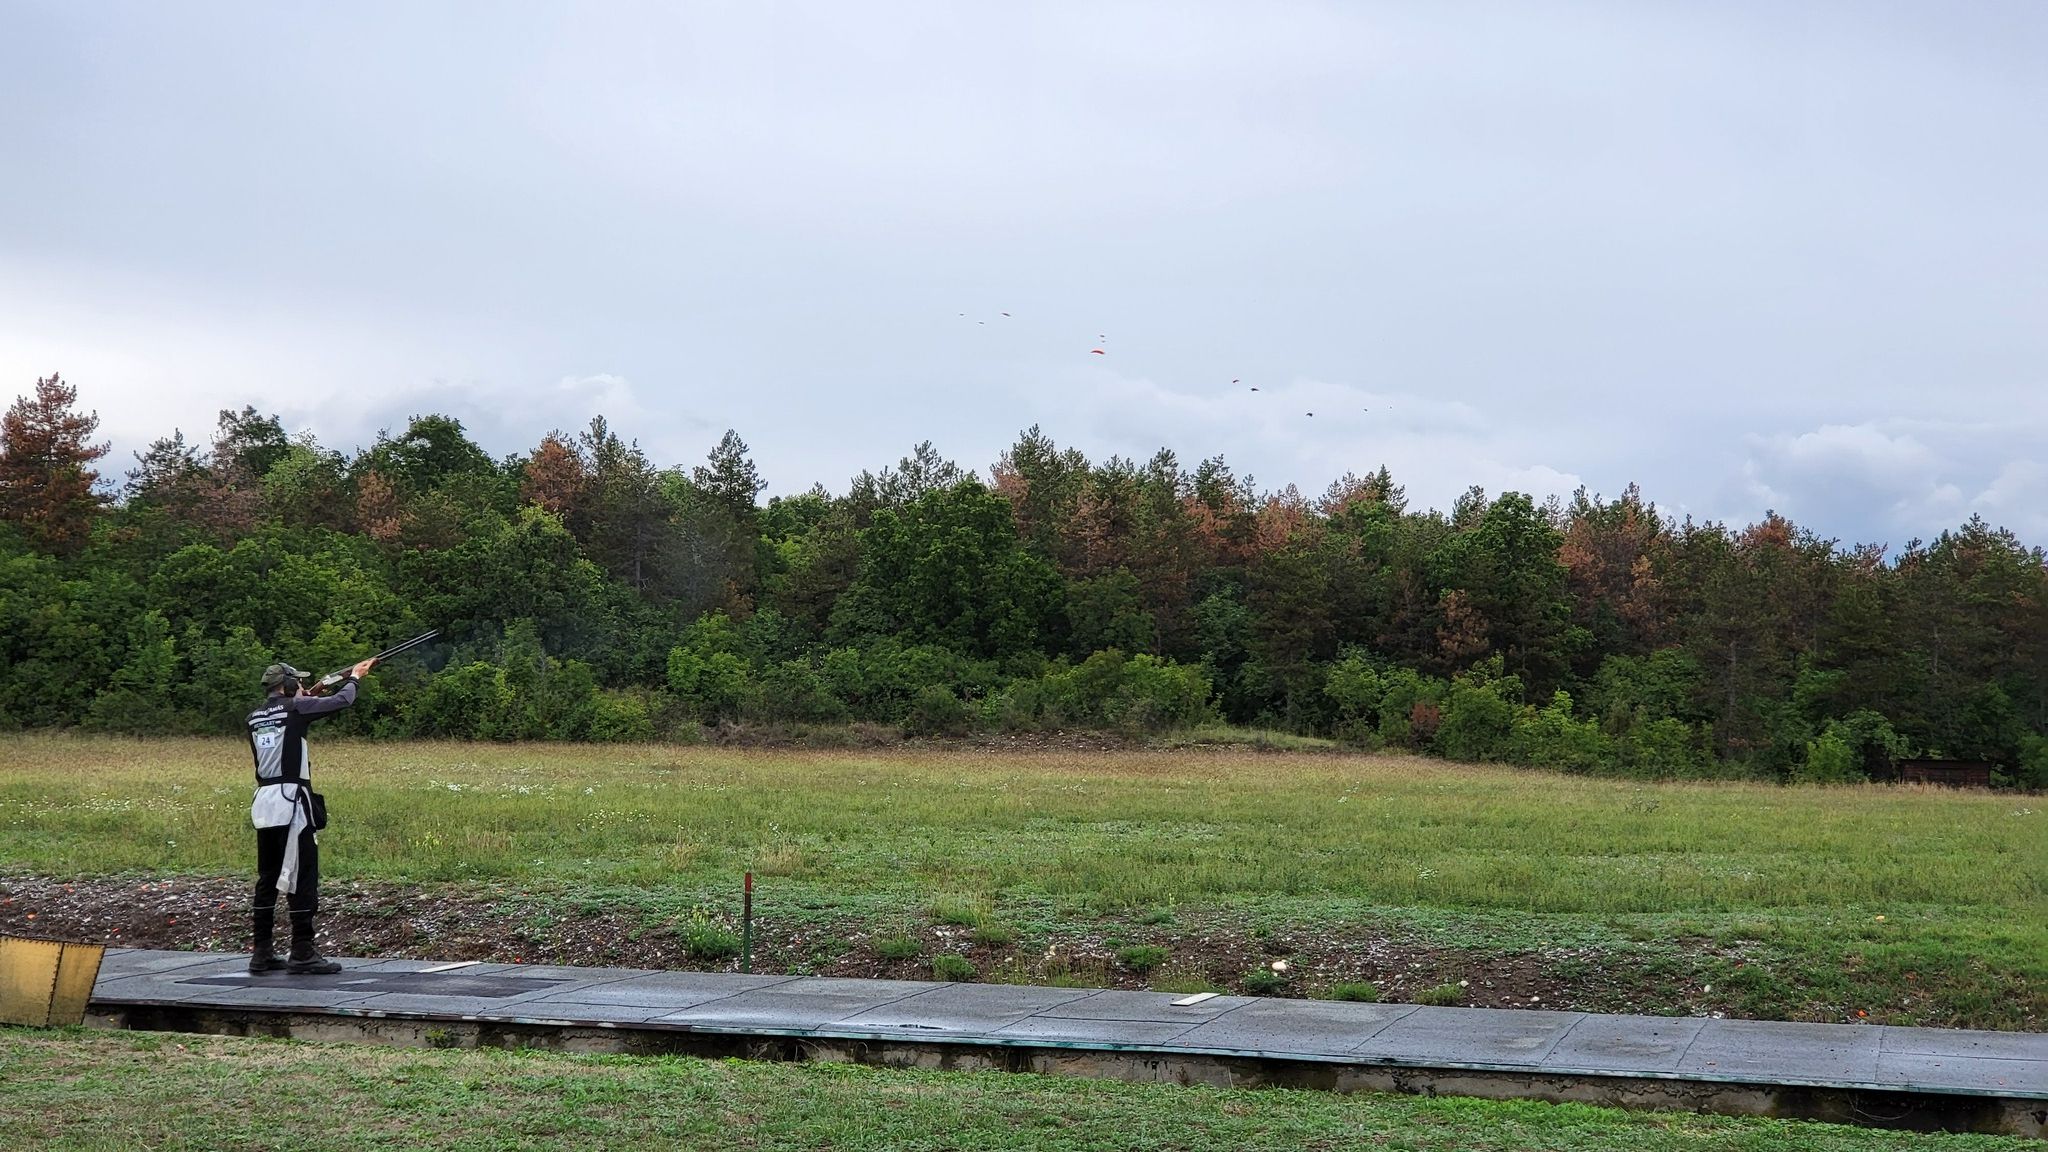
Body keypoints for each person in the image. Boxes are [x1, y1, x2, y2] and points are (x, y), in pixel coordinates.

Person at [245, 656, 375, 975]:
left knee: (268, 878)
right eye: (298, 683)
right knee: (303, 877)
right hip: (292, 803)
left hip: (264, 803)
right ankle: (302, 951)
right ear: (288, 686)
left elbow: (287, 723)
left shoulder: (254, 716)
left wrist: (307, 697)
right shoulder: (295, 708)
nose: (301, 686)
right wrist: (355, 677)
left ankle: (261, 953)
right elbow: (343, 700)